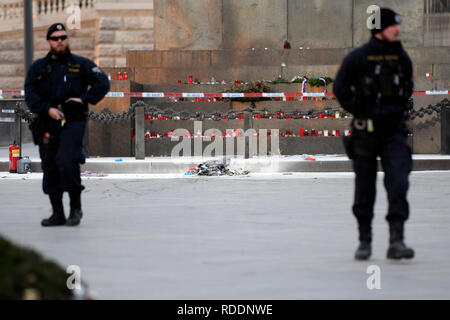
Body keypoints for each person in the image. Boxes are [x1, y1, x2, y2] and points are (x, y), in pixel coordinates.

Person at [333, 8, 415, 260]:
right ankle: (365, 240)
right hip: (365, 133)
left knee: (399, 183)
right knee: (365, 189)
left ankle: (396, 240)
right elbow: (340, 87)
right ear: (380, 29)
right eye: (392, 26)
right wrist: (359, 109)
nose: (397, 30)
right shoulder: (359, 58)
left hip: (394, 133)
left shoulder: (401, 57)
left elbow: (408, 87)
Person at [25, 23, 110, 227]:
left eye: (63, 37)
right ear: (49, 41)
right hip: (47, 122)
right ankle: (57, 213)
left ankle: (75, 209)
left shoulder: (81, 64)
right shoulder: (38, 68)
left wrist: (85, 99)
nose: (60, 41)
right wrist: (47, 109)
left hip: (73, 121)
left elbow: (102, 83)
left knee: (67, 161)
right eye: (55, 38)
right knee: (50, 165)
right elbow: (30, 93)